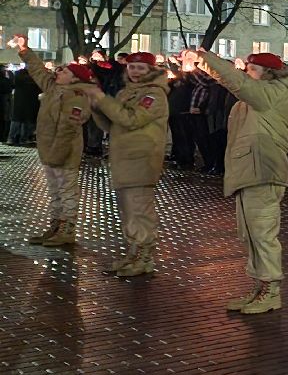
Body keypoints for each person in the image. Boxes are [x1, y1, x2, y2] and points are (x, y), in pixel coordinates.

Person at [185, 48, 288, 314]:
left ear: (268, 73)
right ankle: (259, 285)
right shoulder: (259, 95)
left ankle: (271, 289)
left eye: (252, 69)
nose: (247, 73)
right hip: (250, 169)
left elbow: (237, 82)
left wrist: (207, 60)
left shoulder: (273, 92)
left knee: (263, 233)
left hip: (263, 169)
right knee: (250, 233)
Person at [80, 51, 170, 277]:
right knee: (128, 210)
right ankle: (134, 253)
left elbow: (131, 119)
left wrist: (102, 99)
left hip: (141, 160)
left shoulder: (154, 95)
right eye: (132, 67)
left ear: (151, 71)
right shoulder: (126, 92)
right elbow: (113, 125)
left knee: (140, 210)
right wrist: (96, 106)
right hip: (125, 159)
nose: (135, 72)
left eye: (141, 68)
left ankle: (144, 257)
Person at [9, 34, 94, 246]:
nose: (58, 72)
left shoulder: (77, 95)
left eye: (64, 71)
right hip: (49, 150)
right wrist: (24, 49)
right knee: (55, 192)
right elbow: (38, 71)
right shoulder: (54, 88)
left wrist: (56, 153)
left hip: (64, 152)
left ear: (74, 78)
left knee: (67, 192)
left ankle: (67, 230)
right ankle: (55, 226)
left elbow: (68, 129)